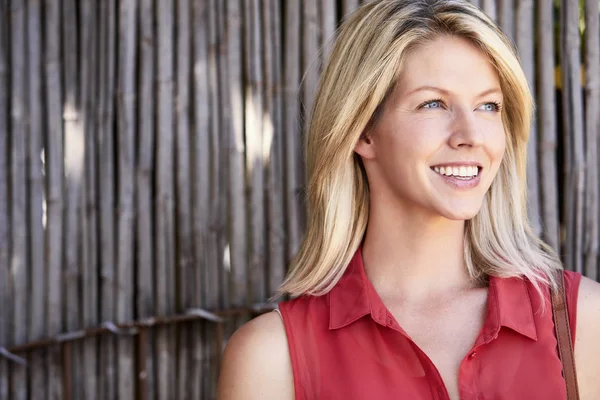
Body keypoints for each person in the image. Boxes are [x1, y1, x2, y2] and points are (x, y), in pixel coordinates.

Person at [218, 0, 600, 398]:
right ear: (363, 131)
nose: (471, 134)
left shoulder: (582, 326)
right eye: (433, 103)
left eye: (488, 106)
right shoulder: (270, 359)